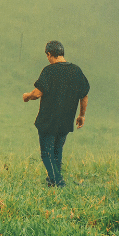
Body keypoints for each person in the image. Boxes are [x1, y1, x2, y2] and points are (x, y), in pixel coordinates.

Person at [23, 40, 89, 187]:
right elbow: (84, 95)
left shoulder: (49, 71)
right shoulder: (76, 71)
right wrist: (81, 115)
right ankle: (52, 182)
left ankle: (58, 183)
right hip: (66, 120)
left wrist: (27, 96)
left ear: (49, 54)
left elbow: (37, 93)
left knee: (46, 154)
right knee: (57, 153)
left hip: (48, 120)